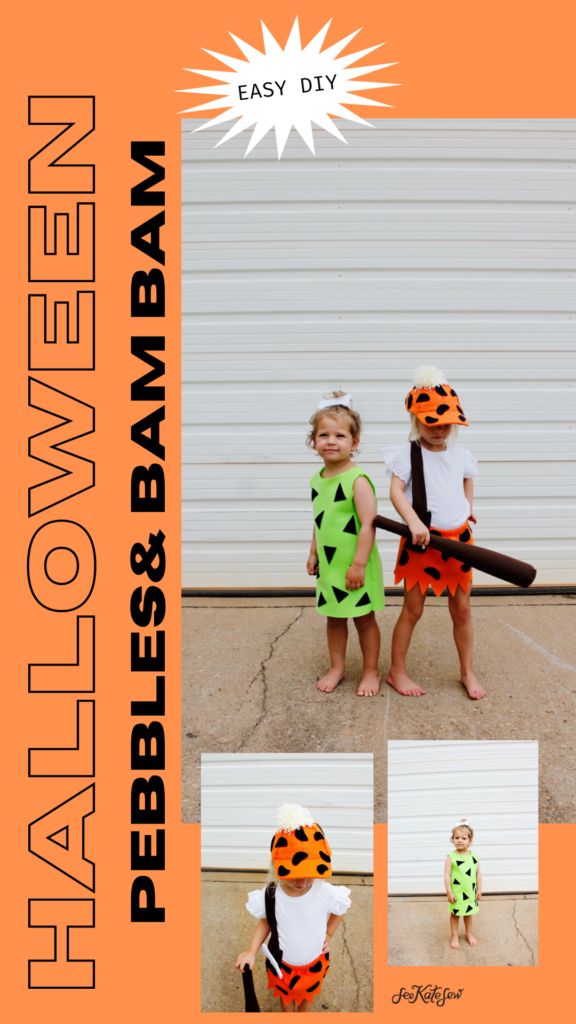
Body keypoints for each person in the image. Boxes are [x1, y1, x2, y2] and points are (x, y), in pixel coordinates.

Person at [383, 366, 486, 699]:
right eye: (431, 422)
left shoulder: (461, 455)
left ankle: (467, 671)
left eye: (445, 422)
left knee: (463, 609)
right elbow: (396, 492)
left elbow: (467, 478)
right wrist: (413, 521)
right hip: (422, 543)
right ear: (417, 420)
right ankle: (396, 671)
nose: (439, 428)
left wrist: (468, 508)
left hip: (459, 541)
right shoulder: (407, 455)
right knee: (413, 610)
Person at [235, 804, 351, 1012]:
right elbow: (266, 923)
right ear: (277, 867)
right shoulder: (271, 896)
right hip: (283, 966)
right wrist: (251, 950)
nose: (302, 882)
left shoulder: (323, 891)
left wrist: (330, 934)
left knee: (307, 999)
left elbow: (340, 909)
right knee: (286, 1000)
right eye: (293, 876)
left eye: (308, 875)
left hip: (313, 963)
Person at [306, 392, 384, 696]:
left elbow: (368, 525)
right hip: (330, 563)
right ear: (313, 441)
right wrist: (313, 552)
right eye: (323, 434)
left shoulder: (358, 480)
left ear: (355, 441)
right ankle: (337, 667)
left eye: (340, 435)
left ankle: (371, 670)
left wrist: (359, 565)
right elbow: (319, 519)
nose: (331, 441)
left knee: (364, 619)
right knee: (335, 619)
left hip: (356, 564)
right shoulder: (317, 479)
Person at [444, 819, 482, 948]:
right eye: (456, 837)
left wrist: (479, 889)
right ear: (452, 839)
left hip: (470, 892)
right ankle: (454, 936)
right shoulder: (451, 857)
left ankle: (469, 933)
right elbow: (447, 875)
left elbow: (478, 874)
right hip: (457, 893)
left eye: (463, 838)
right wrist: (449, 892)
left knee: (468, 914)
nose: (459, 840)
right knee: (455, 915)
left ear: (470, 840)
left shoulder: (474, 856)